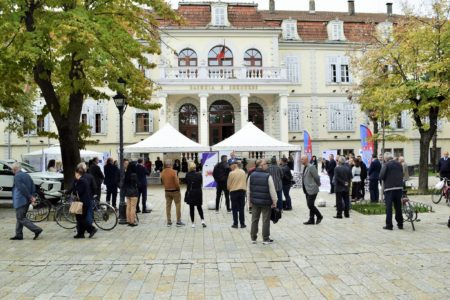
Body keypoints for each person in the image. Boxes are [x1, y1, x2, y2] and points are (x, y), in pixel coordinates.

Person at [10, 163, 43, 240]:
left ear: (14, 169)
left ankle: (37, 230)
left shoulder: (17, 176)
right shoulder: (27, 175)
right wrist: (32, 196)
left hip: (20, 200)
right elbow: (33, 186)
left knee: (21, 217)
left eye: (12, 169)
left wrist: (30, 197)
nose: (12, 171)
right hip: (26, 200)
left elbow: (22, 188)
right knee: (20, 217)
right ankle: (18, 235)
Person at [247, 159, 277, 244]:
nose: (267, 165)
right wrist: (275, 201)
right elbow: (272, 190)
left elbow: (248, 190)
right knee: (265, 220)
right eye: (265, 164)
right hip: (266, 202)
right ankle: (265, 238)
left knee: (254, 220)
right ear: (261, 166)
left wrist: (249, 202)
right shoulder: (268, 176)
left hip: (255, 202)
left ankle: (253, 238)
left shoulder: (251, 175)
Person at [379, 152, 404, 230]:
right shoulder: (399, 164)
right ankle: (400, 223)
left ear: (386, 158)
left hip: (389, 189)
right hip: (399, 188)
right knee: (398, 207)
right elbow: (402, 174)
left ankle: (389, 225)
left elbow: (381, 176)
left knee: (389, 207)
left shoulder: (386, 165)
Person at [73, 165, 98, 238]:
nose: (75, 175)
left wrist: (75, 190)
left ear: (78, 173)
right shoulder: (81, 180)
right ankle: (81, 233)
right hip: (83, 201)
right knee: (80, 218)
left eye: (75, 173)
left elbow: (78, 191)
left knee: (81, 218)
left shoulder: (81, 181)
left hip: (83, 202)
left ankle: (91, 229)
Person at [161, 159, 185, 227]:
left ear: (165, 164)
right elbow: (177, 182)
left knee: (168, 206)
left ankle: (169, 221)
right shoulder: (173, 172)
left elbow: (162, 181)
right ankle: (178, 221)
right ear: (171, 164)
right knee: (178, 205)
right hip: (175, 191)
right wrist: (178, 189)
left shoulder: (162, 172)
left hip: (167, 191)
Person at [301, 155, 323, 225]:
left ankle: (319, 216)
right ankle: (311, 219)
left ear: (306, 160)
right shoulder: (305, 167)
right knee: (311, 205)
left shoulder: (311, 167)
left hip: (312, 189)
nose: (301, 160)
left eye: (302, 159)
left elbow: (316, 177)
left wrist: (318, 184)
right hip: (307, 189)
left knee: (310, 205)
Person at [184, 162, 206, 228]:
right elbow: (201, 183)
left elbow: (186, 183)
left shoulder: (187, 175)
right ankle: (202, 221)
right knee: (199, 207)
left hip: (191, 192)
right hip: (198, 192)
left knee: (191, 208)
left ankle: (193, 223)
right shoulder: (199, 174)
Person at [227, 161, 247, 229]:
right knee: (241, 208)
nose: (230, 167)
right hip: (242, 192)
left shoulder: (231, 173)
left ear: (234, 165)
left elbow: (228, 185)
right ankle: (242, 224)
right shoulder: (243, 172)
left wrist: (229, 189)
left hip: (234, 192)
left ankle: (235, 224)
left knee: (234, 208)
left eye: (231, 165)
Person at [123, 162, 139, 226]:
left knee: (128, 207)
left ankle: (128, 220)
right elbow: (138, 183)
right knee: (133, 208)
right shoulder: (134, 175)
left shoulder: (126, 174)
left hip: (127, 193)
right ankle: (132, 221)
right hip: (134, 193)